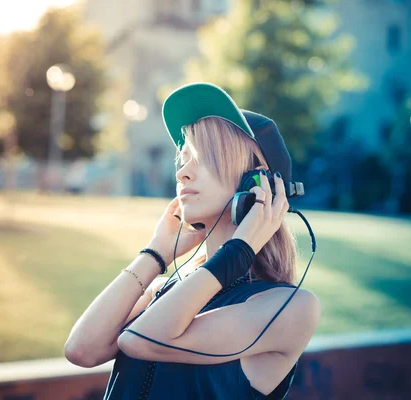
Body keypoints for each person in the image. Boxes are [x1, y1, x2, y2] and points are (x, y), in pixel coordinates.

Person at [65, 82, 321, 399]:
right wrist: (156, 253)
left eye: (202, 157)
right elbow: (81, 350)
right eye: (183, 159)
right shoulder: (167, 289)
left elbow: (140, 340)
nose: (182, 172)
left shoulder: (290, 307)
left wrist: (240, 249)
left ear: (257, 182)